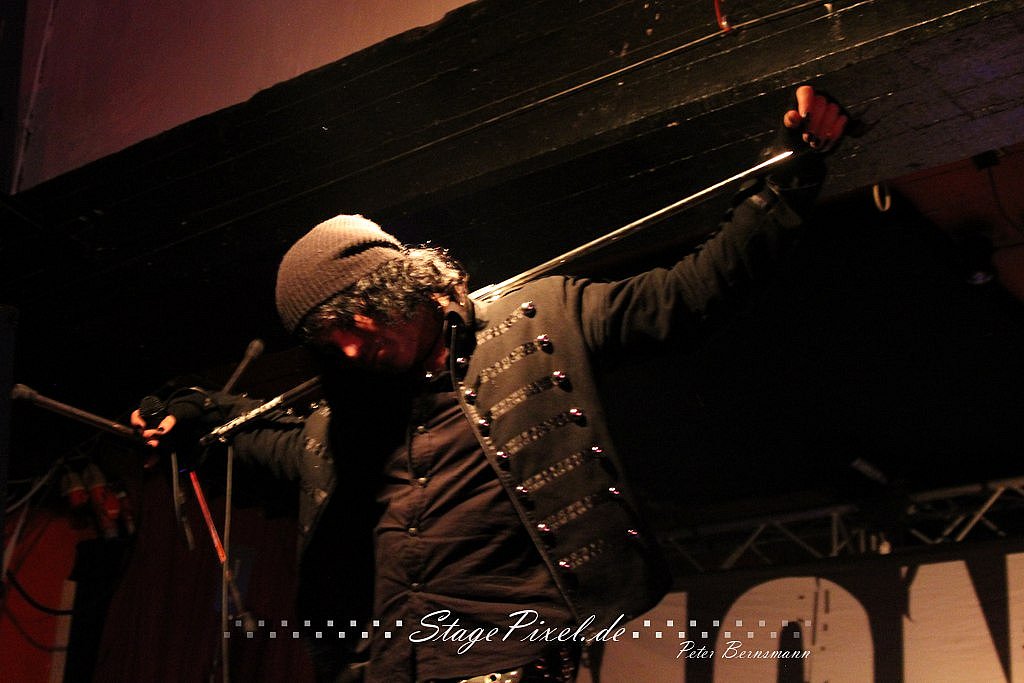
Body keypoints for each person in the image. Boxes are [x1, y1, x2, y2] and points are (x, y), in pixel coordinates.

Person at [133, 85, 847, 683]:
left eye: (351, 320)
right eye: (327, 340)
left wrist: (788, 176)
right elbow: (255, 434)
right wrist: (186, 410)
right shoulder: (345, 423)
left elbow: (690, 295)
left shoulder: (542, 320)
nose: (347, 347)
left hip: (507, 661)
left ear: (395, 285)